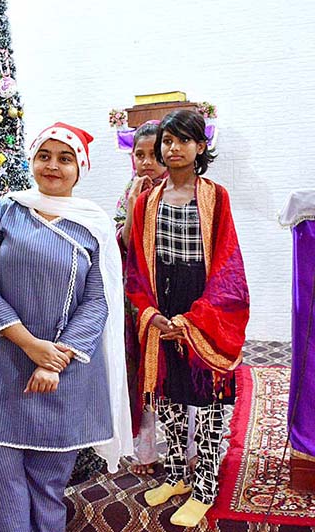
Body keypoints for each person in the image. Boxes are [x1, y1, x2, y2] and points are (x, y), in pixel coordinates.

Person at [0, 122, 131, 532]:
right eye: (44, 156)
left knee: (48, 488)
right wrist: (30, 345)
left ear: (80, 168)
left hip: (63, 375)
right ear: (32, 160)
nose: (52, 166)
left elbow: (100, 299)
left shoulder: (94, 224)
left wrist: (54, 360)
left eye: (65, 158)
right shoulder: (6, 211)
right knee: (2, 488)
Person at [125, 110, 249, 527]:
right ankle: (178, 475)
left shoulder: (216, 196)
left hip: (206, 307)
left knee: (210, 401)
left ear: (200, 147)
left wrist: (196, 319)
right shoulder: (146, 202)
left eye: (182, 140)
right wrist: (151, 313)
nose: (172, 148)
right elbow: (137, 267)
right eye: (167, 141)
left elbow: (228, 262)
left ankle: (206, 488)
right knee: (171, 400)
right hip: (164, 305)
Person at [114, 121, 168, 476]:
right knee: (140, 374)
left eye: (154, 154)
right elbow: (126, 244)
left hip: (172, 297)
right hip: (137, 301)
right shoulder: (127, 194)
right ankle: (145, 451)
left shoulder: (181, 193)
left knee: (172, 374)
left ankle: (185, 449)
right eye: (139, 154)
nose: (146, 162)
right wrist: (135, 205)